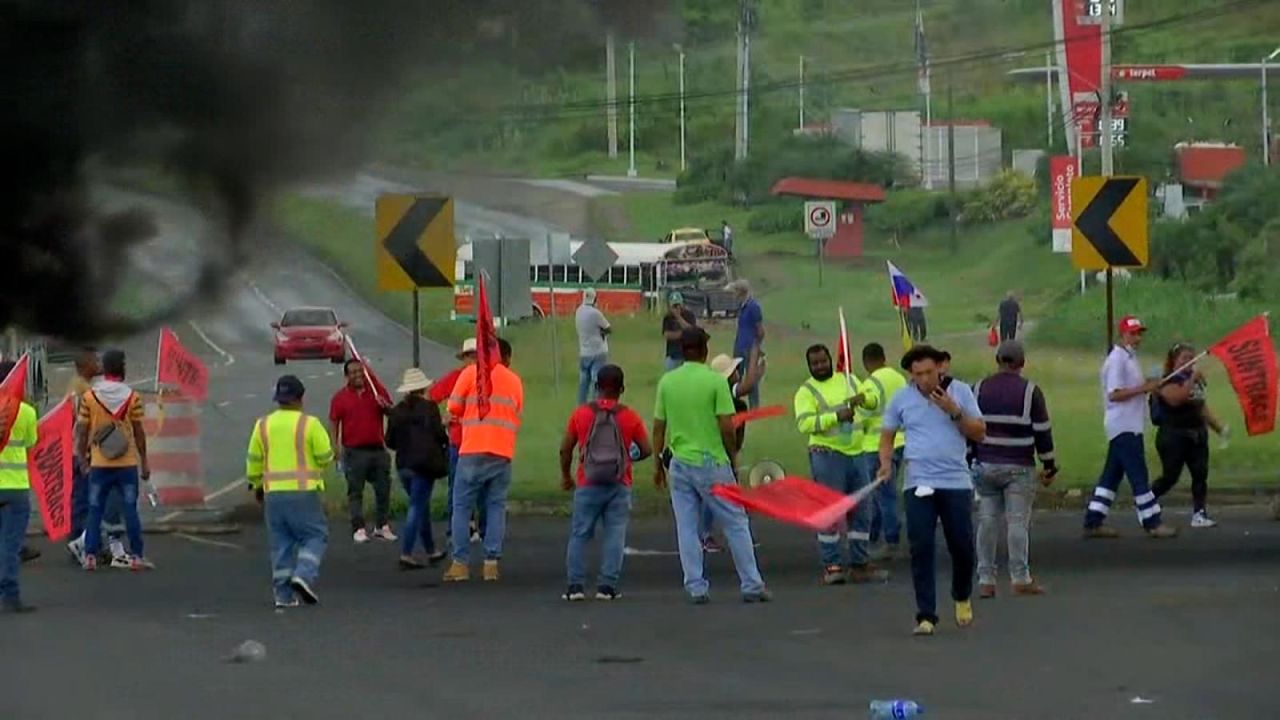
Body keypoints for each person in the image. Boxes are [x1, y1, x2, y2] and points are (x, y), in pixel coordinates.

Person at [654, 327, 769, 604]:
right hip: (711, 460)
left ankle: (695, 585)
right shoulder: (715, 382)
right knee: (736, 522)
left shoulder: (667, 382)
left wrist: (658, 463)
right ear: (704, 351)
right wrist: (732, 455)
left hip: (679, 461)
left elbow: (659, 427)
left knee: (687, 526)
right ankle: (751, 584)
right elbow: (727, 426)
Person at [878, 345, 985, 636]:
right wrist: (885, 464)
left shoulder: (960, 392)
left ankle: (961, 595)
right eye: (918, 374)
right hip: (918, 481)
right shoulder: (901, 399)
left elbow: (979, 432)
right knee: (921, 546)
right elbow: (886, 436)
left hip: (955, 481)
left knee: (962, 547)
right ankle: (926, 615)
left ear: (941, 368)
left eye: (929, 372)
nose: (925, 379)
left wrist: (953, 411)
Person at [793, 344, 887, 586]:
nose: (820, 366)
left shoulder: (850, 380)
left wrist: (863, 398)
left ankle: (860, 563)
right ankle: (832, 565)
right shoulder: (806, 391)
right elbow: (804, 424)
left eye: (823, 361)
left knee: (863, 511)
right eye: (814, 363)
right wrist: (836, 417)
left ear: (830, 360)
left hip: (857, 454)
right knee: (830, 512)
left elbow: (875, 402)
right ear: (809, 365)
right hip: (827, 455)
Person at [972, 340, 1058, 598]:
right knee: (1017, 522)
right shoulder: (1031, 391)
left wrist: (971, 458)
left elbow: (970, 427)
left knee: (986, 521)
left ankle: (986, 579)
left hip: (986, 462)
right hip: (1019, 463)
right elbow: (1042, 431)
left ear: (997, 360)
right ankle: (1020, 577)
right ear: (1022, 363)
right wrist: (1049, 464)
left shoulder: (978, 388)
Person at [558, 364, 651, 601]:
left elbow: (565, 448)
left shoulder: (581, 414)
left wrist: (566, 475)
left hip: (587, 481)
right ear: (622, 388)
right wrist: (627, 458)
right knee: (615, 535)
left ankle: (575, 586)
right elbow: (647, 449)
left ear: (597, 387)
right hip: (619, 482)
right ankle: (607, 586)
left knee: (580, 533)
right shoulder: (629, 416)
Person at [1082, 316, 1178, 539]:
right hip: (1123, 424)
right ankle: (1152, 521)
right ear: (1122, 334)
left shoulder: (1129, 358)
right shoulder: (1118, 360)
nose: (1137, 338)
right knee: (1138, 474)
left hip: (1129, 424)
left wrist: (1149, 385)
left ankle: (1093, 519)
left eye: (1139, 333)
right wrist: (1145, 387)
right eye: (1133, 334)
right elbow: (1114, 394)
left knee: (1111, 476)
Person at [246, 375, 334, 608]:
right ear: (301, 398)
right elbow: (325, 456)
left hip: (272, 494)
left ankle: (282, 596)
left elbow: (253, 460)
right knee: (315, 536)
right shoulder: (310, 424)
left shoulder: (262, 425)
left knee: (281, 543)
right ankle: (303, 576)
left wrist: (256, 485)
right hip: (304, 492)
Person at [444, 338, 524, 583]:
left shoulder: (471, 373)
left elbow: (453, 407)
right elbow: (517, 409)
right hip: (502, 450)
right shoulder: (514, 380)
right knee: (496, 506)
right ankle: (491, 563)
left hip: (472, 449)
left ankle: (460, 563)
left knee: (461, 507)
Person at [76, 349, 152, 571]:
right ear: (122, 369)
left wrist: (82, 459)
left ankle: (90, 556)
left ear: (104, 369)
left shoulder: (89, 397)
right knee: (130, 509)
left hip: (99, 463)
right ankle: (136, 555)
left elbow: (81, 430)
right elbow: (139, 432)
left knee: (95, 508)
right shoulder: (133, 397)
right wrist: (144, 461)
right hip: (126, 464)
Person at [1150, 343, 1228, 529]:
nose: (1190, 362)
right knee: (1170, 476)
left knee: (1200, 474)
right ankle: (1147, 500)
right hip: (1173, 436)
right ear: (1174, 361)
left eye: (1192, 358)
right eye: (1185, 358)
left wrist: (1218, 428)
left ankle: (1199, 513)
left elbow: (1200, 407)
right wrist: (1192, 378)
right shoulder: (1166, 381)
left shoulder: (1193, 380)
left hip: (1196, 434)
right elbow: (1177, 399)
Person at [386, 368, 450, 570]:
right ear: (423, 388)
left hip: (404, 464)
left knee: (420, 506)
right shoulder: (430, 408)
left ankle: (431, 550)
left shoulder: (396, 411)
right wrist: (445, 425)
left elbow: (390, 441)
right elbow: (440, 435)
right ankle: (406, 552)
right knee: (417, 507)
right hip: (424, 464)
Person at [699, 352, 763, 552]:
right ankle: (710, 535)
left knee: (719, 496)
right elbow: (748, 385)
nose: (738, 373)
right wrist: (754, 354)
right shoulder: (726, 392)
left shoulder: (716, 393)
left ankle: (711, 534)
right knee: (721, 496)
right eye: (735, 370)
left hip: (719, 451)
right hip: (722, 453)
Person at [330, 358, 396, 544]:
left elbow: (391, 412)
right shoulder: (340, 398)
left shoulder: (376, 392)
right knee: (355, 491)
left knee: (383, 489)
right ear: (346, 376)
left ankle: (382, 526)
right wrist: (335, 446)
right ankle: (358, 527)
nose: (358, 375)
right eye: (353, 372)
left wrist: (385, 406)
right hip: (353, 451)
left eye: (361, 371)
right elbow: (334, 422)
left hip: (377, 449)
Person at [429, 338, 485, 543]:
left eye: (476, 355)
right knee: (458, 487)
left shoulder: (488, 379)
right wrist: (441, 420)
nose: (473, 359)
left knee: (480, 488)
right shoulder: (455, 378)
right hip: (459, 440)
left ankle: (476, 526)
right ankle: (457, 529)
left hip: (481, 441)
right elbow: (431, 397)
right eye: (470, 356)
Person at [859, 343, 908, 560]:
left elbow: (870, 403)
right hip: (901, 440)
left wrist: (859, 402)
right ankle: (875, 536)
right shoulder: (898, 378)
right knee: (884, 493)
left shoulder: (870, 383)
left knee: (883, 495)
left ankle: (891, 539)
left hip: (877, 445)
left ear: (866, 362)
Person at [0, 360, 38, 612]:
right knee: (10, 545)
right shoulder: (26, 412)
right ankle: (10, 594)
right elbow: (30, 443)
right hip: (15, 489)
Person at [729, 279, 765, 408]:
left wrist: (756, 347)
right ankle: (735, 404)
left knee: (752, 379)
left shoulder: (753, 306)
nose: (733, 295)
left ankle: (754, 407)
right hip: (739, 347)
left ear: (740, 292)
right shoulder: (742, 307)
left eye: (734, 292)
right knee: (734, 377)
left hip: (749, 348)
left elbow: (760, 330)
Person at [574, 287, 611, 405]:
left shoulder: (579, 311)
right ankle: (595, 407)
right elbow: (608, 328)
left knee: (583, 383)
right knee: (596, 382)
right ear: (595, 299)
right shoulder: (595, 313)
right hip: (598, 351)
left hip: (584, 352)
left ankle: (581, 407)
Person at [661, 291, 698, 372]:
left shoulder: (689, 315)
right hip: (673, 355)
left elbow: (692, 331)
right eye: (674, 306)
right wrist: (683, 334)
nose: (677, 308)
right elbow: (667, 334)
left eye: (678, 305)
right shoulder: (667, 318)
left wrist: (678, 317)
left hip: (687, 356)